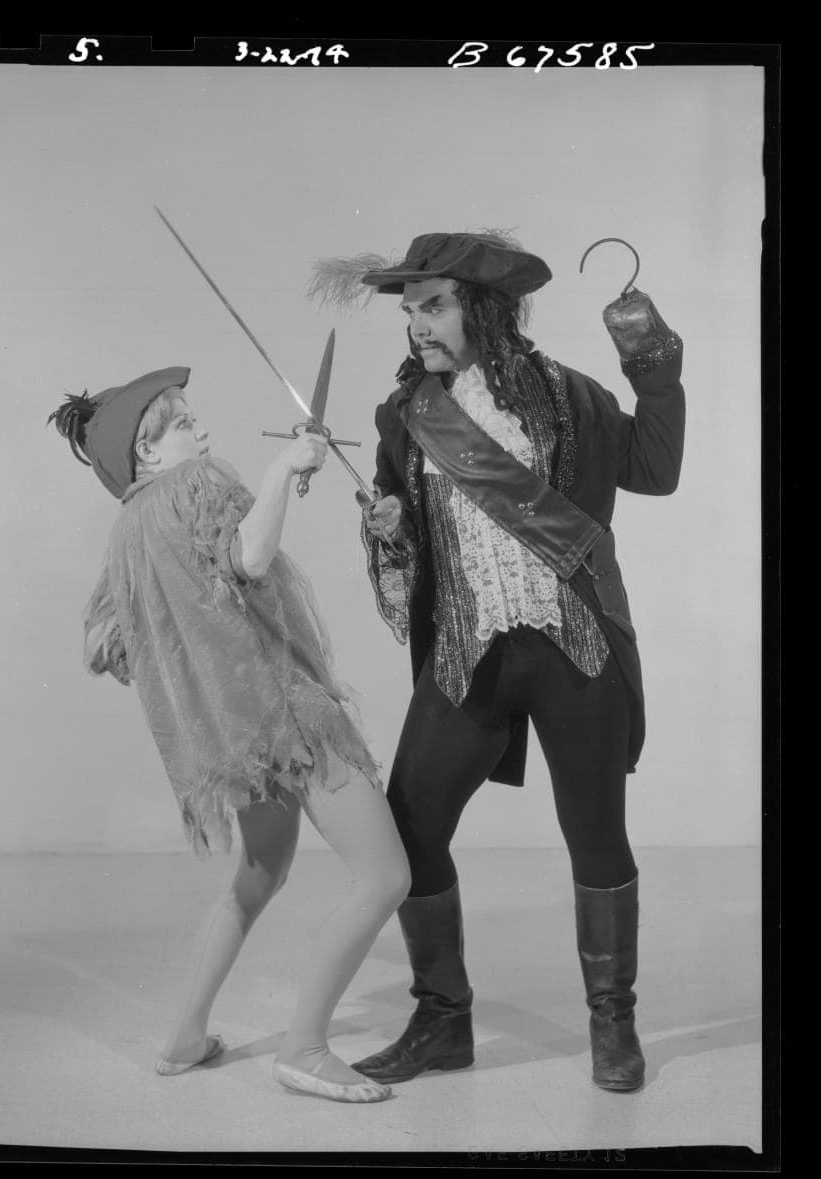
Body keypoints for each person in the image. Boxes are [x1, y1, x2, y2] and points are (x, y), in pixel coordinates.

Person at [308, 229, 685, 1091]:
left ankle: (611, 1024)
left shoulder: (569, 398)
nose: (416, 327)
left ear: (482, 308)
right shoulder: (403, 417)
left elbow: (655, 470)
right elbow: (401, 544)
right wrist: (389, 531)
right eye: (409, 312)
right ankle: (443, 1020)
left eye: (432, 306)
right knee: (408, 828)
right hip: (465, 655)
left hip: (572, 650)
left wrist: (651, 365)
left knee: (594, 835)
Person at [48, 366, 410, 1103]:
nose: (201, 432)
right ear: (147, 454)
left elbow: (104, 644)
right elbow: (248, 559)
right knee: (384, 877)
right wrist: (284, 467)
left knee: (256, 876)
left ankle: (185, 1039)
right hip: (289, 715)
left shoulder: (128, 530)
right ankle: (304, 1048)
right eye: (181, 424)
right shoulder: (196, 484)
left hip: (232, 735)